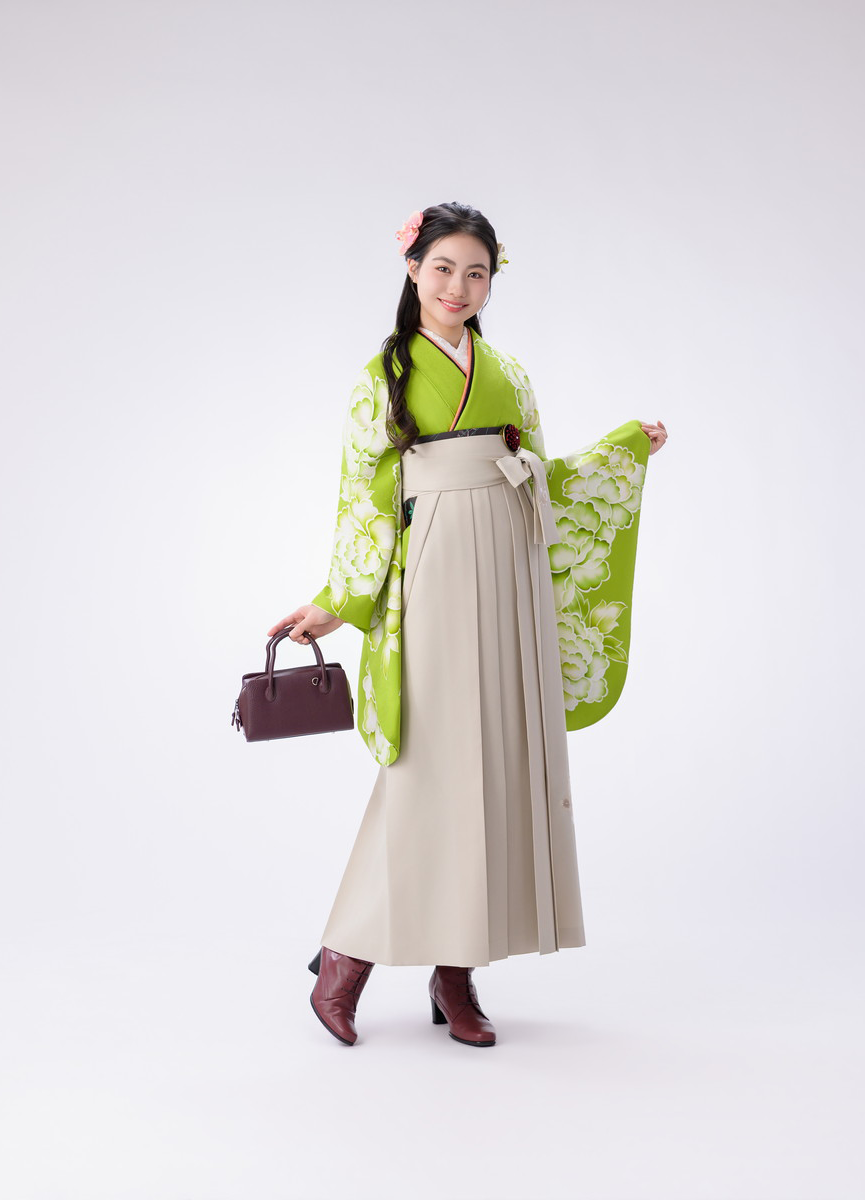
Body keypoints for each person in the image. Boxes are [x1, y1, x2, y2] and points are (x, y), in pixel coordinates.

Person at [268, 201, 668, 1049]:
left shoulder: (508, 372)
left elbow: (539, 475)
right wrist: (337, 601)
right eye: (443, 267)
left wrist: (624, 450)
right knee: (429, 772)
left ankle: (455, 975)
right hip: (436, 566)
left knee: (496, 764)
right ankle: (343, 963)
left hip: (511, 564)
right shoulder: (381, 377)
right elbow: (364, 498)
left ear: (492, 281)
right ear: (413, 268)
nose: (458, 286)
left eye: (476, 272)